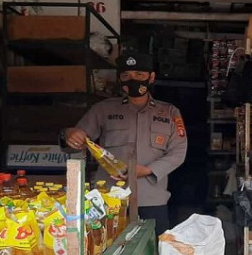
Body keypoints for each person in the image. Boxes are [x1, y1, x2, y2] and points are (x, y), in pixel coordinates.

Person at [63, 50, 188, 235]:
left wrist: (147, 170)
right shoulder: (103, 109)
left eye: (139, 74)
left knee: (153, 249)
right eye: (126, 75)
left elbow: (178, 152)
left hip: (151, 199)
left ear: (151, 77)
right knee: (105, 248)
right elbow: (77, 140)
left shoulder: (170, 113)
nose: (133, 80)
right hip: (109, 199)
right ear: (119, 79)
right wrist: (70, 134)